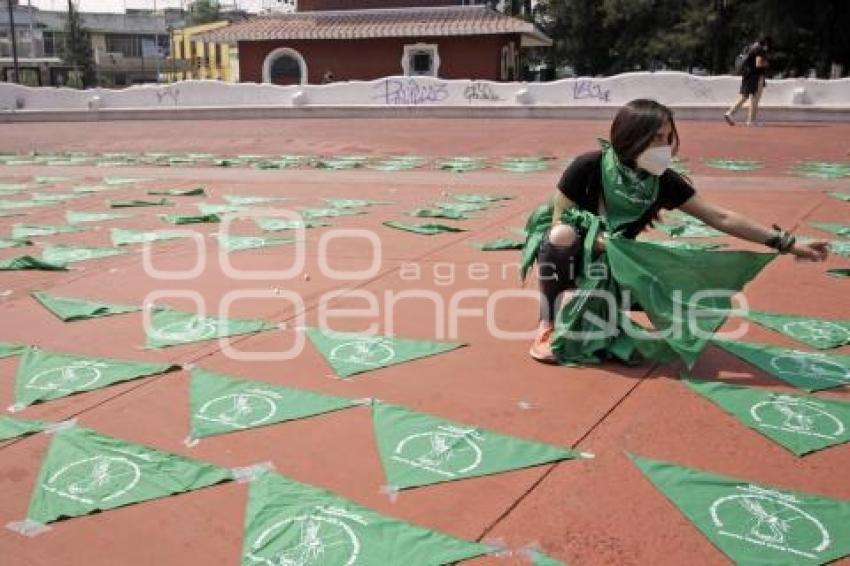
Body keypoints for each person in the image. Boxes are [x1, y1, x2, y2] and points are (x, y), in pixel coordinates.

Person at [529, 99, 830, 363]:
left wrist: (786, 243)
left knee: (677, 272)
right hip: (575, 256)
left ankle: (600, 307)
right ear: (631, 137)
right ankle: (547, 322)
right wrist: (603, 244)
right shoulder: (588, 166)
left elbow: (721, 217)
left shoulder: (664, 181)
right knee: (560, 237)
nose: (665, 146)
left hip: (620, 263)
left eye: (668, 136)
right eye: (656, 137)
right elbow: (559, 221)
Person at [725, 36, 771, 126]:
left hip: (747, 75)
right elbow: (758, 64)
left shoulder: (749, 48)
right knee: (755, 99)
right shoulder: (759, 50)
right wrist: (766, 63)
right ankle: (751, 121)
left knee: (744, 96)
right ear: (765, 43)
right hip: (756, 77)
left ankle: (729, 113)